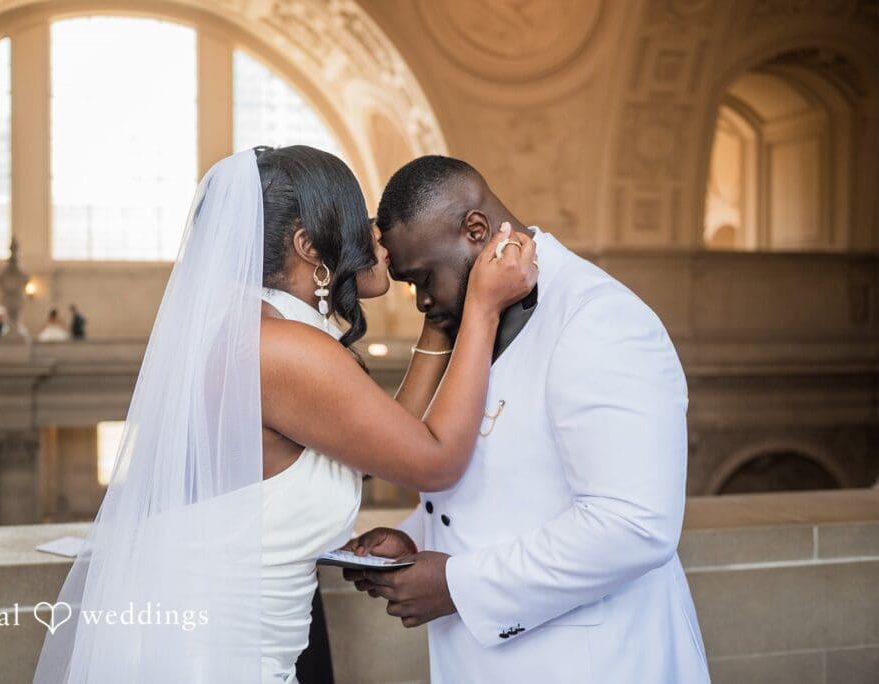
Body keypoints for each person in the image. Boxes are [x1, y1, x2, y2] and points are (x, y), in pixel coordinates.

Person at [33, 146, 536, 683]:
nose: (377, 234)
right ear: (307, 245)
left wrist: (439, 322)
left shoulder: (256, 332)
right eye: (355, 214)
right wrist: (480, 308)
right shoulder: (281, 350)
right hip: (213, 660)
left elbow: (379, 447)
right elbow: (433, 460)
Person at [342, 155, 711, 683]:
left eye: (424, 278)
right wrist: (416, 540)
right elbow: (502, 488)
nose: (423, 302)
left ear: (475, 230)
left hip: (593, 664)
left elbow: (635, 525)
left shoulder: (598, 319)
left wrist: (457, 584)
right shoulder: (467, 325)